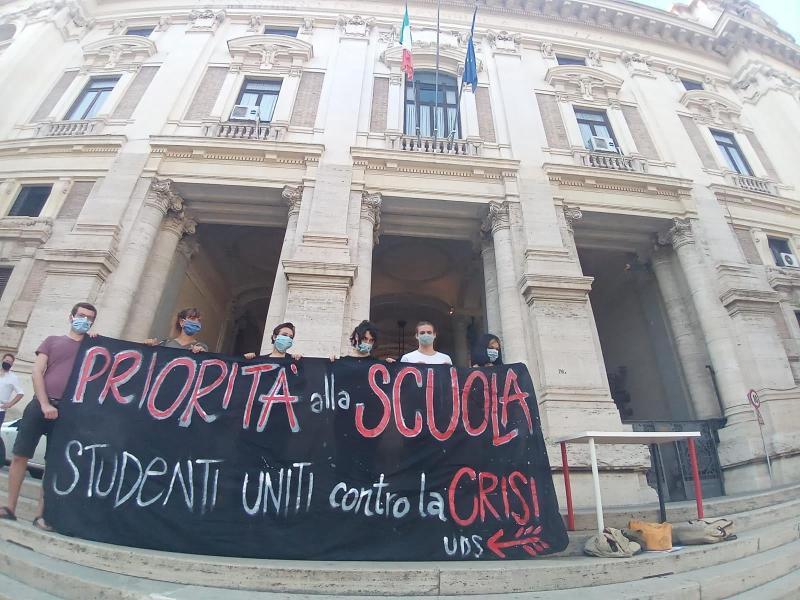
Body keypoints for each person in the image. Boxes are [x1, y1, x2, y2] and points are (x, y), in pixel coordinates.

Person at [0, 302, 98, 529]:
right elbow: (37, 371)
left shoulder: (91, 348)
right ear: (71, 316)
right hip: (40, 405)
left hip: (67, 411)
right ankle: (10, 507)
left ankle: (41, 515)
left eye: (89, 318)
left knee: (53, 463)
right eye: (81, 315)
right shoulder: (52, 341)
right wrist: (44, 404)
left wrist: (97, 342)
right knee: (19, 456)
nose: (85, 320)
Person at [331, 320, 395, 362]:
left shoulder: (375, 365)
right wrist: (330, 363)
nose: (367, 343)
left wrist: (390, 367)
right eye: (365, 339)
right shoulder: (344, 361)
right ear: (357, 337)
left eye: (371, 340)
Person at [0, 353, 25, 429]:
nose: (8, 363)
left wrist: (10, 404)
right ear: (2, 360)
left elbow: (20, 393)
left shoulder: (13, 378)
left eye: (10, 362)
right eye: (7, 360)